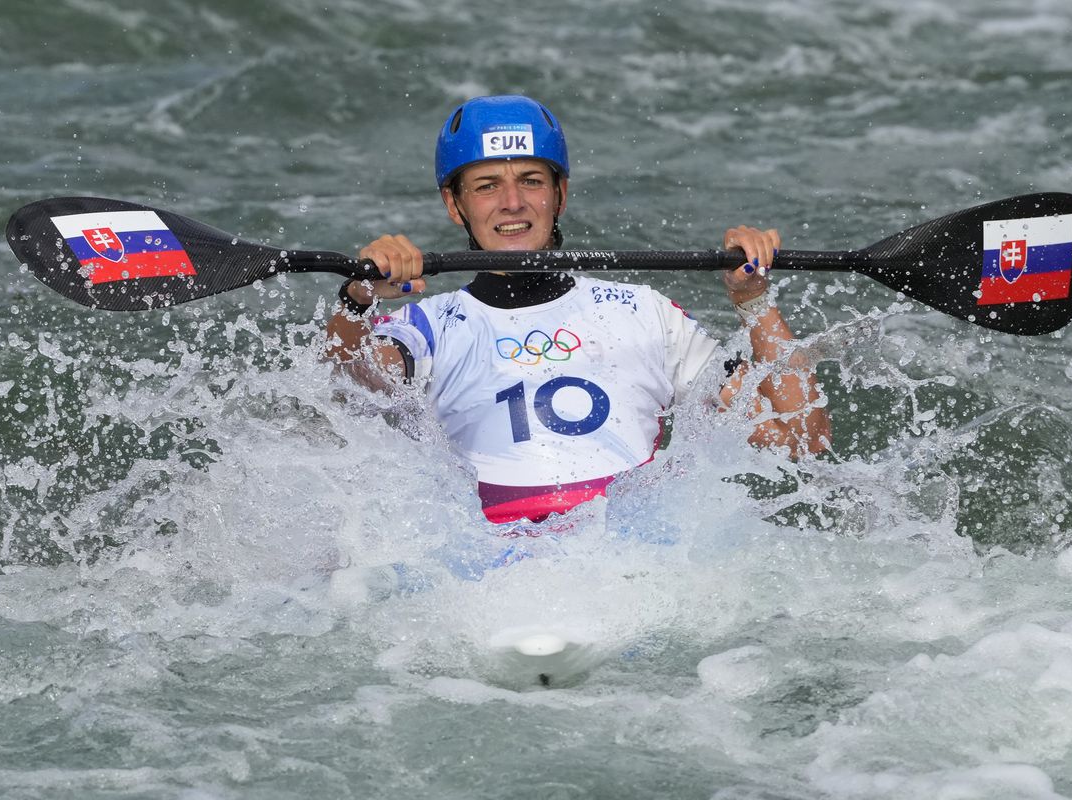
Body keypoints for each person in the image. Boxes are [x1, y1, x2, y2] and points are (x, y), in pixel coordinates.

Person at [326, 95, 830, 525]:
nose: (512, 203)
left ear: (560, 194)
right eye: (485, 186)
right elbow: (342, 389)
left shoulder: (644, 313)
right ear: (454, 205)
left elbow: (802, 439)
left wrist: (754, 301)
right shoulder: (426, 328)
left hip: (631, 552)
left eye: (531, 180)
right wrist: (357, 299)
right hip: (486, 558)